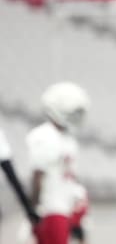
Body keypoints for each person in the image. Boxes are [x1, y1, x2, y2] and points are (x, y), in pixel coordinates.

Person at [26, 81, 90, 244]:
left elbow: (70, 177)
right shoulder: (45, 136)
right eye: (73, 112)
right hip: (52, 209)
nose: (76, 117)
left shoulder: (67, 138)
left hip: (66, 207)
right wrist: (33, 209)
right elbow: (38, 175)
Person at [1, 128, 40, 229]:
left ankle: (29, 210)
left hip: (3, 152)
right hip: (3, 152)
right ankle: (29, 210)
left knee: (15, 181)